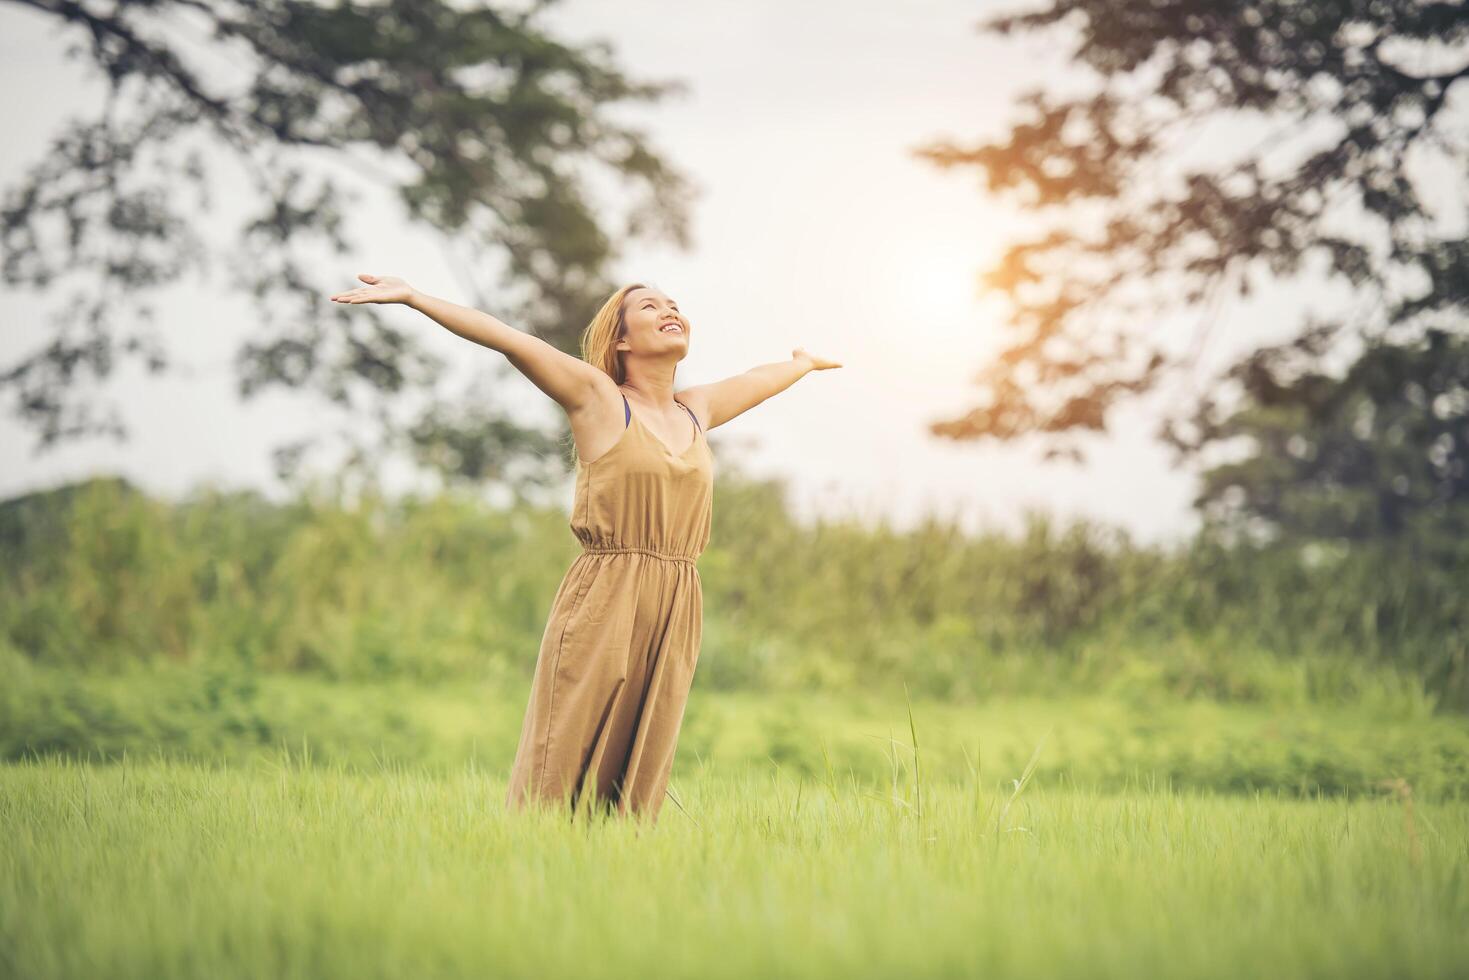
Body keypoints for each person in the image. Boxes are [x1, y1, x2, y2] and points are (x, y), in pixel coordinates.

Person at [330, 274, 841, 822]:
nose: (672, 311)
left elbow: (757, 378)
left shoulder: (696, 410)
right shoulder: (599, 398)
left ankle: (612, 876)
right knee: (564, 754)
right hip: (606, 593)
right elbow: (508, 339)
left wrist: (801, 364)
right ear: (621, 339)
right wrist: (414, 296)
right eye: (651, 307)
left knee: (642, 758)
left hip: (676, 599)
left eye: (675, 305)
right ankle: (530, 866)